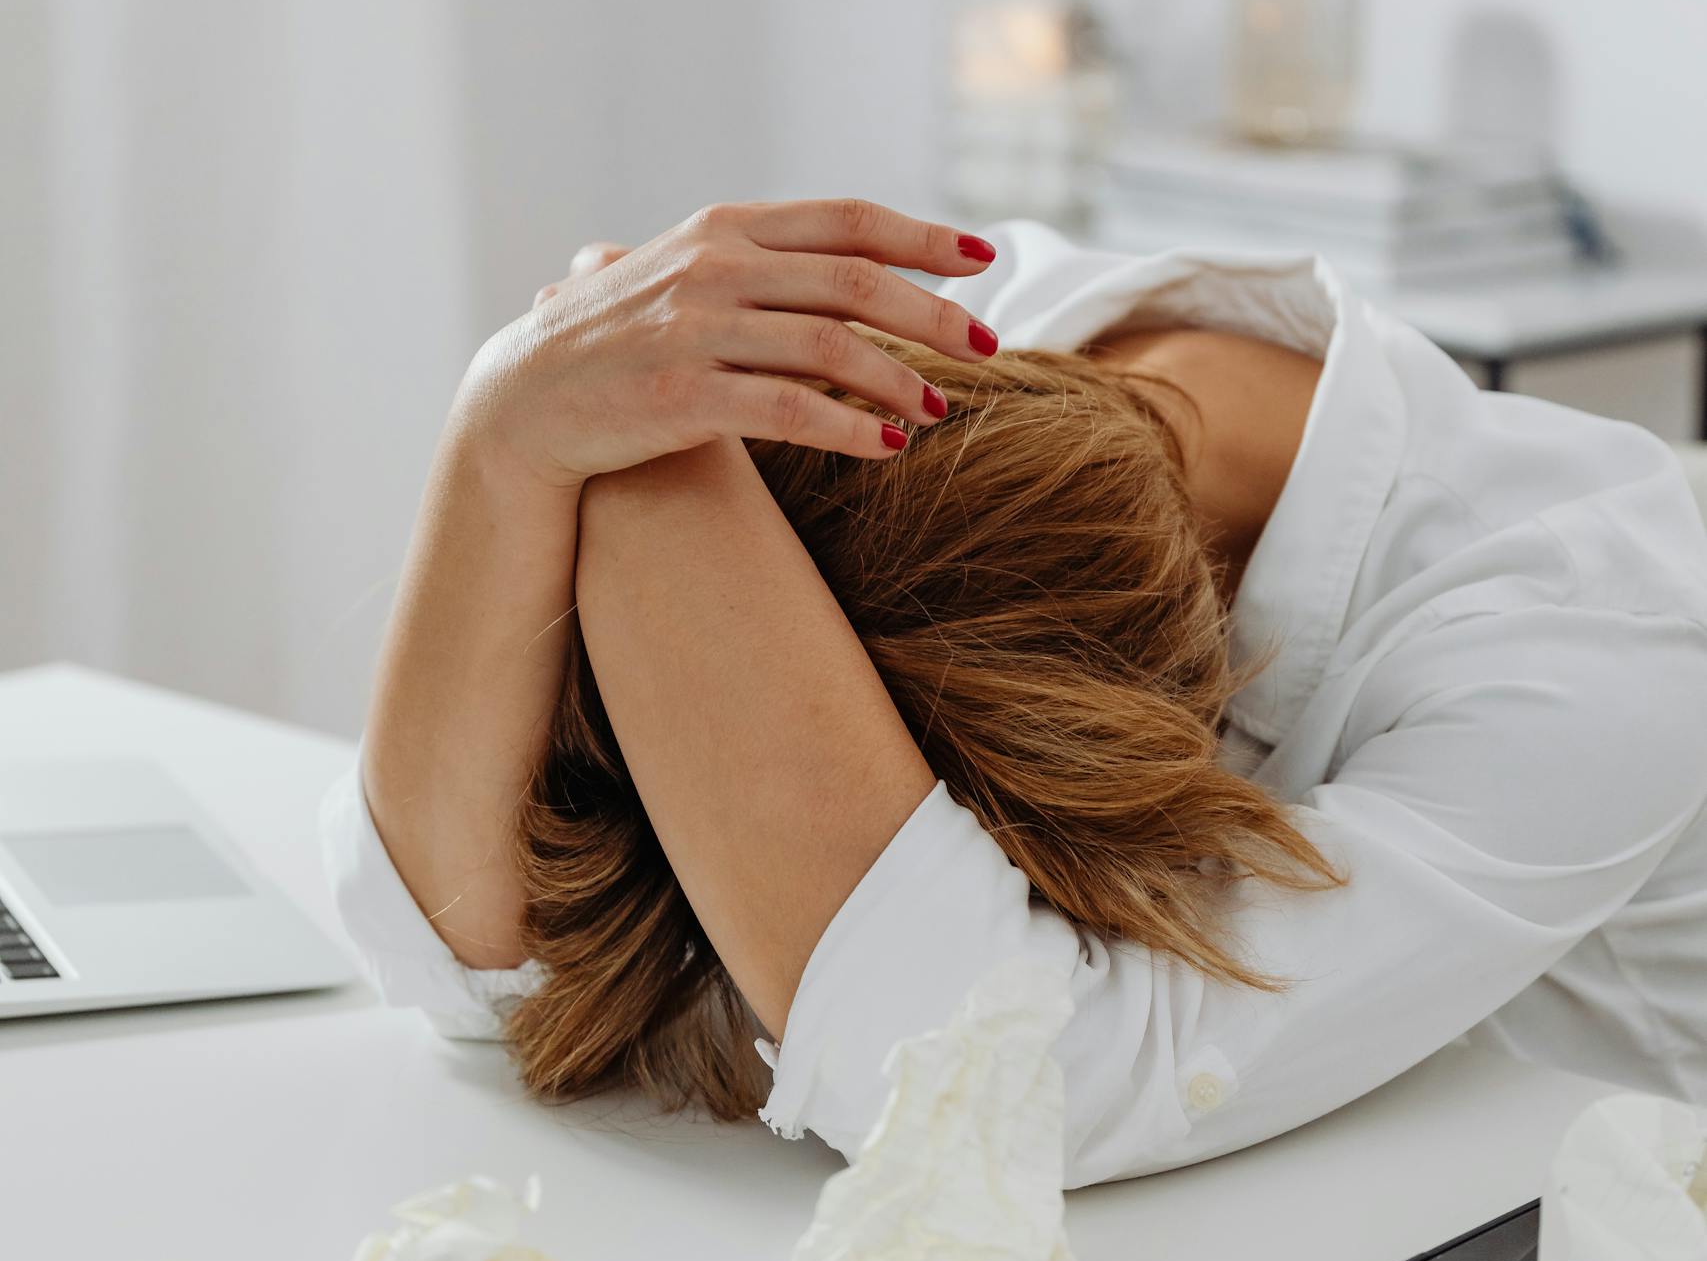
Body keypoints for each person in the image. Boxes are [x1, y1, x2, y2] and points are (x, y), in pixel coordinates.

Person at [323, 197, 1707, 1188]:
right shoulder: (945, 349)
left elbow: (992, 1093)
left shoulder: (1602, 653)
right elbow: (466, 966)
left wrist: (635, 462)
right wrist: (511, 421)